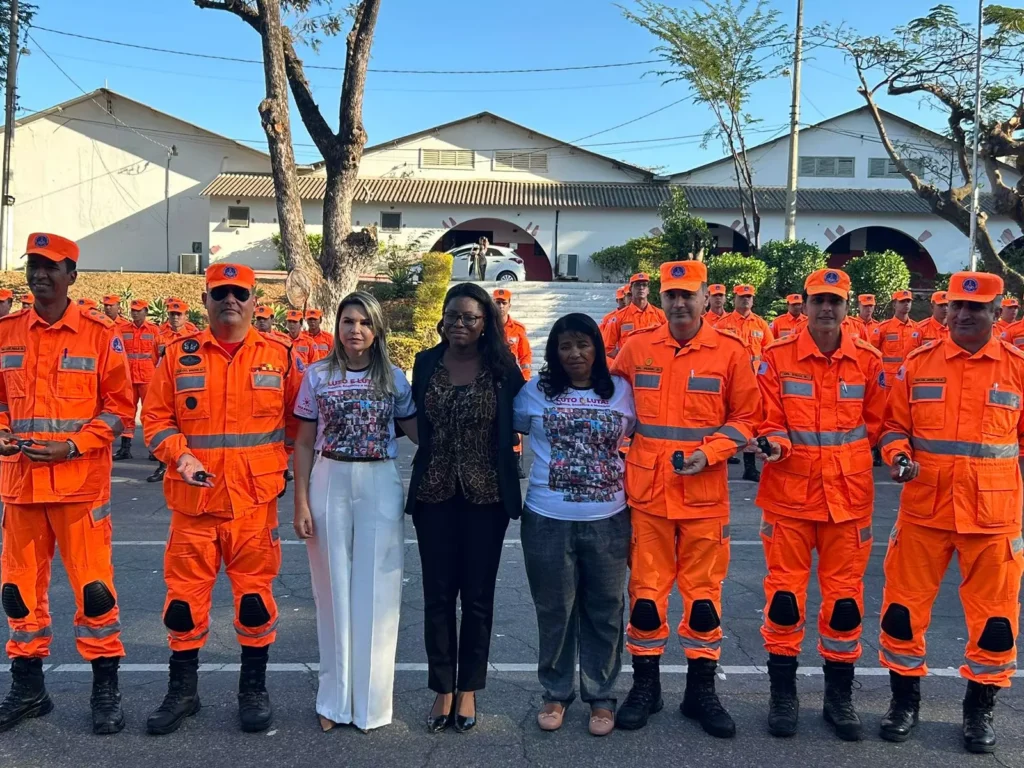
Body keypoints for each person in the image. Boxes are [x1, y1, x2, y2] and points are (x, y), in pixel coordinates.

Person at [142, 263, 301, 735]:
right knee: (183, 605)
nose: (230, 300)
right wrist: (180, 456)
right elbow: (155, 419)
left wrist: (280, 466)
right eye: (220, 292)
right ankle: (183, 692)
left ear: (254, 300)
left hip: (254, 505)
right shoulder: (177, 356)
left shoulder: (280, 356)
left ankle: (252, 687)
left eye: (239, 292)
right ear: (205, 298)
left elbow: (300, 424)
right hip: (194, 502)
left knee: (254, 601)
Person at [611, 260, 760, 737]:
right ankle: (646, 689)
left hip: (703, 493)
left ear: (703, 299)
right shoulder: (635, 349)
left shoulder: (730, 353)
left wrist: (712, 451)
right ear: (662, 296)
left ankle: (701, 693)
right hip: (648, 493)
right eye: (671, 294)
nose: (679, 303)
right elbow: (610, 406)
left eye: (688, 294)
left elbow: (747, 417)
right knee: (646, 596)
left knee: (702, 599)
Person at [878, 271, 1024, 755]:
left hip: (993, 518)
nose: (963, 315)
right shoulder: (920, 365)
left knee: (995, 622)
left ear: (997, 311)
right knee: (902, 615)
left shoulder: (1018, 368)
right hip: (925, 510)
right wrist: (897, 455)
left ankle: (978, 712)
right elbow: (893, 425)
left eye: (976, 308)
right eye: (957, 306)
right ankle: (904, 704)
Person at [0, 232, 134, 734]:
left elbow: (121, 410)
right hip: (21, 487)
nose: (40, 273)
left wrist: (74, 444)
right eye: (34, 264)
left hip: (79, 489)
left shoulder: (101, 335)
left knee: (95, 594)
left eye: (51, 266)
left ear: (71, 276)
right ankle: (29, 689)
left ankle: (105, 690)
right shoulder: (7, 331)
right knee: (17, 592)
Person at [752, 268, 886, 741]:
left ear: (847, 307)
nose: (826, 309)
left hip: (848, 503)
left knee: (845, 604)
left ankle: (839, 699)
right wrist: (772, 442)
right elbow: (765, 418)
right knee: (784, 602)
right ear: (804, 306)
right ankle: (783, 697)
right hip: (789, 498)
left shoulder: (869, 362)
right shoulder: (776, 358)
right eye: (818, 300)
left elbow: (882, 424)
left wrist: (897, 452)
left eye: (835, 301)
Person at [292, 291, 417, 732]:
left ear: (377, 328)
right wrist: (301, 501)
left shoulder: (395, 379)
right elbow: (304, 442)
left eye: (365, 322)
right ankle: (334, 703)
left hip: (380, 481)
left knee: (378, 593)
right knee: (332, 592)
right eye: (348, 321)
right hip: (330, 479)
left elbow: (419, 431)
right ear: (337, 327)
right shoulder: (317, 375)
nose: (355, 330)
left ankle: (371, 706)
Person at [408, 282, 525, 734]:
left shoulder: (502, 368)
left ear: (485, 325)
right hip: (433, 494)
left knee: (477, 598)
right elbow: (405, 417)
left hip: (486, 497)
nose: (459, 324)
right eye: (452, 315)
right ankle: (442, 687)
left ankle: (469, 687)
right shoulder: (425, 364)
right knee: (438, 596)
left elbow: (530, 411)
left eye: (470, 318)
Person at [514, 313, 635, 737]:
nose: (575, 353)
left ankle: (601, 695)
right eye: (565, 346)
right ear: (554, 352)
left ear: (597, 348)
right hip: (547, 518)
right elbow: (509, 434)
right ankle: (556, 692)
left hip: (608, 519)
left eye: (583, 344)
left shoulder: (621, 391)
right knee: (555, 610)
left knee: (605, 611)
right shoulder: (534, 392)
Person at [716, 284, 773, 482]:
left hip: (755, 381)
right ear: (735, 299)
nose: (746, 300)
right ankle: (720, 457)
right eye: (742, 297)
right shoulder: (723, 323)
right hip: (731, 380)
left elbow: (770, 352)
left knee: (753, 422)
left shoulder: (760, 324)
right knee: (726, 418)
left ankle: (750, 467)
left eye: (749, 297)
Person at [146, 300, 196, 485]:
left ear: (186, 316)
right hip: (165, 385)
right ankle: (163, 466)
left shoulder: (193, 337)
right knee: (163, 424)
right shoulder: (160, 336)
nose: (175, 318)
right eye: (172, 314)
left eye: (179, 314)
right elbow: (154, 360)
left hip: (186, 387)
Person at [114, 299, 160, 461]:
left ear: (146, 312)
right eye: (133, 310)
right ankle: (125, 448)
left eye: (138, 310)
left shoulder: (154, 330)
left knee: (150, 414)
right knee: (127, 412)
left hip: (148, 378)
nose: (135, 313)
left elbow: (158, 355)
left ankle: (153, 449)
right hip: (128, 378)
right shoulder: (122, 329)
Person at [494, 287, 533, 478]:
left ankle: (516, 460)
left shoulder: (518, 329)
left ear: (509, 305)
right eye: (497, 302)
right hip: (491, 379)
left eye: (503, 303)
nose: (500, 306)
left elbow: (525, 357)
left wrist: (524, 381)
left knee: (513, 420)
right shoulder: (487, 326)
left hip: (512, 381)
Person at [603, 273, 667, 357]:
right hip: (629, 368)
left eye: (644, 285)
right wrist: (625, 359)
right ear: (630, 289)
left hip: (655, 366)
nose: (641, 288)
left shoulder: (660, 315)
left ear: (648, 290)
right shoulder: (618, 317)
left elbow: (670, 342)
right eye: (637, 285)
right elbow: (607, 348)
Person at [870, 289, 920, 392]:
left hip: (910, 380)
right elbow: (871, 354)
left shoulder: (918, 329)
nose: (906, 304)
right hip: (888, 382)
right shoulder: (883, 328)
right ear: (894, 304)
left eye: (908, 301)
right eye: (902, 301)